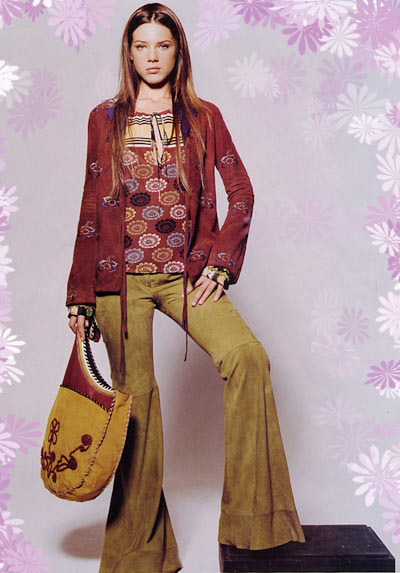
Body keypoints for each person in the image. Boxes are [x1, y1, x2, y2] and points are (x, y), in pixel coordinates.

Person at [66, 3, 306, 572]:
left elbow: (241, 192)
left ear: (179, 52)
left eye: (163, 46)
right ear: (129, 53)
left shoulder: (203, 116)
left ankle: (254, 525)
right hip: (119, 283)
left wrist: (221, 264)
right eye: (141, 46)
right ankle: (138, 558)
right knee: (138, 405)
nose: (152, 57)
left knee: (247, 356)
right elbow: (90, 207)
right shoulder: (104, 118)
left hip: (185, 276)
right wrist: (80, 294)